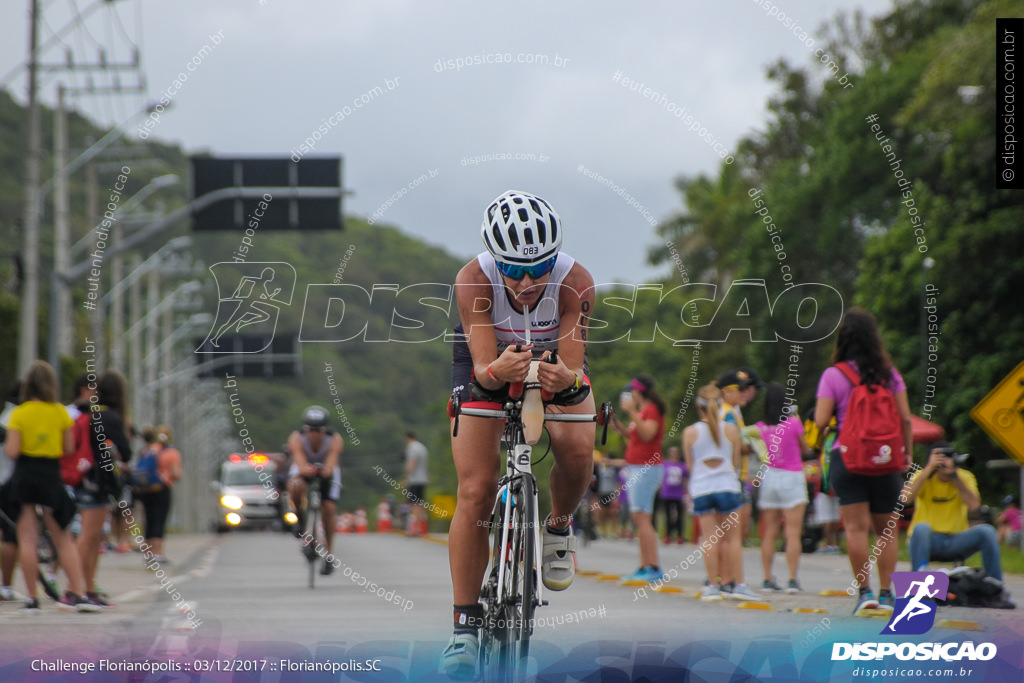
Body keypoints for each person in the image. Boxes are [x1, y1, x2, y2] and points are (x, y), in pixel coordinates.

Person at [443, 190, 596, 677]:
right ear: (495, 260)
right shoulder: (472, 279)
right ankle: (464, 629)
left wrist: (565, 382)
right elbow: (485, 370)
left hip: (552, 357)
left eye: (540, 268)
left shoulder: (575, 282)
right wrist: (494, 376)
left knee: (577, 447)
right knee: (475, 490)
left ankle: (557, 528)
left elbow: (572, 373)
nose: (528, 282)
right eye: (514, 270)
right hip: (488, 361)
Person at [814, 307, 913, 613]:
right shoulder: (889, 374)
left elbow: (819, 421)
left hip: (848, 458)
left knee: (856, 529)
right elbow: (905, 418)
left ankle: (864, 593)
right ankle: (887, 594)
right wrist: (906, 454)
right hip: (885, 460)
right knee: (887, 530)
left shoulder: (834, 374)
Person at [4, 360, 98, 612]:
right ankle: (78, 592)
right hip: (50, 475)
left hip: (25, 475)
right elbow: (69, 448)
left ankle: (33, 598)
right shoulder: (59, 412)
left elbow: (12, 450)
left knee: (27, 538)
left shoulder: (19, 414)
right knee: (63, 537)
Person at [684, 384, 761, 601]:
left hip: (702, 488)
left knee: (709, 539)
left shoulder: (690, 432)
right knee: (733, 540)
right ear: (720, 406)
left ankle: (712, 586)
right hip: (727, 485)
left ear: (698, 407)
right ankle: (740, 585)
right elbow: (736, 463)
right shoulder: (731, 430)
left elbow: (691, 466)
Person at [906, 442, 1005, 582]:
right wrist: (928, 469)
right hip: (926, 540)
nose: (944, 461)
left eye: (948, 457)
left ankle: (995, 586)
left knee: (987, 531)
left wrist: (954, 477)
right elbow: (905, 499)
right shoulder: (922, 476)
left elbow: (974, 507)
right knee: (921, 528)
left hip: (956, 540)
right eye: (940, 457)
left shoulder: (963, 477)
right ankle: (918, 587)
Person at [74, 370, 132, 607]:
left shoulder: (86, 413)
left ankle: (87, 587)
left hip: (81, 477)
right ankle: (77, 589)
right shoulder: (110, 418)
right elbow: (127, 452)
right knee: (90, 536)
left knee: (91, 536)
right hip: (99, 481)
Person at [609, 374, 667, 582]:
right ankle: (645, 566)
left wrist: (632, 412)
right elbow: (637, 436)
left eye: (632, 391)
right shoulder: (643, 411)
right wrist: (621, 429)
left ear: (639, 391)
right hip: (637, 467)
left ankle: (653, 566)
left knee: (643, 519)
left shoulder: (650, 410)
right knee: (639, 518)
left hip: (646, 468)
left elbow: (648, 434)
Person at [755, 383, 811, 593]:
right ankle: (792, 579)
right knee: (793, 531)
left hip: (769, 476)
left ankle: (768, 579)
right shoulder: (794, 423)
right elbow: (805, 449)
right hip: (792, 476)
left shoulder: (760, 427)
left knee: (769, 531)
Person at [287, 406, 343, 574]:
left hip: (327, 470)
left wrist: (325, 470)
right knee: (296, 486)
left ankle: (329, 555)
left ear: (324, 430)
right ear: (306, 429)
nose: (314, 433)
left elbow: (331, 463)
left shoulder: (334, 439)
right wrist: (306, 470)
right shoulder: (297, 438)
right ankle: (300, 520)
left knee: (329, 508)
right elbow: (299, 461)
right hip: (304, 468)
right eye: (311, 429)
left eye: (318, 430)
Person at [136, 426, 182, 564]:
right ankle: (158, 553)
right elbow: (176, 474)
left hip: (146, 489)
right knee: (159, 519)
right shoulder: (171, 453)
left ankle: (148, 554)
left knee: (148, 519)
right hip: (162, 488)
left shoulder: (148, 450)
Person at [658, 446, 688, 544]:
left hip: (678, 493)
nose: (674, 454)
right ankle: (668, 535)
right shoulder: (665, 464)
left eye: (675, 452)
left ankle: (680, 535)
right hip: (667, 493)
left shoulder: (682, 466)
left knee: (680, 516)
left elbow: (685, 480)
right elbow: (661, 477)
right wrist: (661, 488)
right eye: (672, 452)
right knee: (667, 515)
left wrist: (686, 492)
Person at [403, 431, 429, 536]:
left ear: (407, 438)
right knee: (420, 503)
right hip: (423, 479)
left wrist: (406, 477)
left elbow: (412, 463)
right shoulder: (422, 447)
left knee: (414, 505)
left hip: (414, 480)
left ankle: (415, 528)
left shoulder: (412, 448)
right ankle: (421, 527)